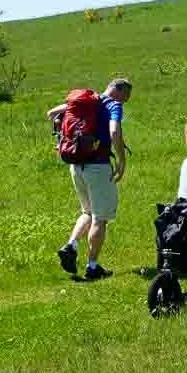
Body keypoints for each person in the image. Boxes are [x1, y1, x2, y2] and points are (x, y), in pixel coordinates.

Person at [54, 77, 132, 281]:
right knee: (100, 218)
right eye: (125, 98)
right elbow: (114, 130)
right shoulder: (112, 105)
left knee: (87, 211)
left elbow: (52, 114)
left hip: (76, 165)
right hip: (97, 167)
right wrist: (122, 160)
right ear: (118, 90)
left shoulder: (87, 101)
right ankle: (92, 267)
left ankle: (71, 245)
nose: (125, 102)